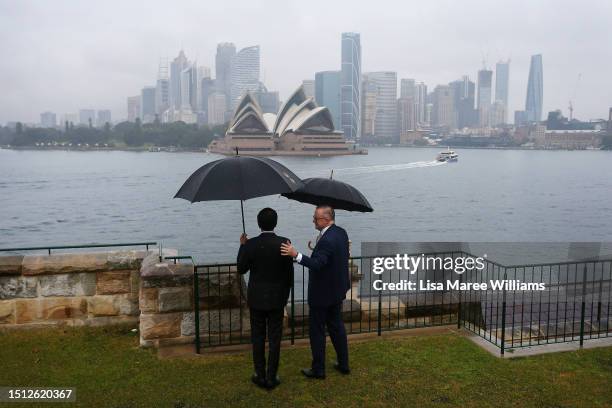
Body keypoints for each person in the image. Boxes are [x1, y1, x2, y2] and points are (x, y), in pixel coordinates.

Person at [280, 205, 351, 379]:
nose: (313, 220)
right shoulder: (340, 232)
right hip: (337, 290)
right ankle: (344, 364)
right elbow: (332, 256)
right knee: (337, 327)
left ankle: (318, 369)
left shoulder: (327, 239)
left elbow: (318, 264)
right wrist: (317, 249)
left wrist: (296, 254)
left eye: (315, 218)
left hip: (322, 293)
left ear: (326, 220)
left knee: (317, 331)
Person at [237, 208, 294, 390]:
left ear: (258, 224)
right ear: (275, 223)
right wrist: (286, 295)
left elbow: (241, 268)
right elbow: (289, 274)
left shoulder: (251, 244)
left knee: (258, 337)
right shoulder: (284, 243)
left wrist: (243, 245)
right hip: (277, 298)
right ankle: (271, 376)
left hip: (256, 299)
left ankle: (259, 374)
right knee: (275, 338)